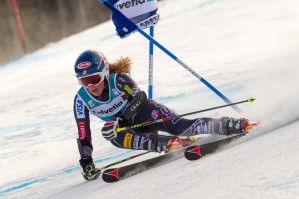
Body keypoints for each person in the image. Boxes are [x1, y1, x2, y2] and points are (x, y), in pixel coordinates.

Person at [73, 50, 252, 181]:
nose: (90, 86)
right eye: (84, 81)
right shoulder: (81, 100)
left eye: (94, 79)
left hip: (146, 112)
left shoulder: (119, 80)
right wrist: (86, 160)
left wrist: (121, 119)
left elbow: (139, 97)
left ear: (105, 72)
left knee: (181, 127)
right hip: (129, 129)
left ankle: (232, 125)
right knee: (113, 137)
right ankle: (168, 144)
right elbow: (83, 134)